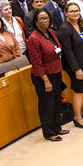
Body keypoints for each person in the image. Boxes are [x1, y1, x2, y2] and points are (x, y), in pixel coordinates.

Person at [26, 10, 65, 141]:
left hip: (56, 71)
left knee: (55, 102)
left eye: (46, 18)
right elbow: (36, 63)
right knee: (47, 105)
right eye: (41, 19)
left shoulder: (51, 32)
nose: (45, 21)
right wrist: (46, 81)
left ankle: (57, 126)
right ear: (36, 22)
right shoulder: (33, 38)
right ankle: (49, 132)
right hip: (44, 76)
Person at [58, 3, 83, 129]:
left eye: (77, 10)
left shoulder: (81, 24)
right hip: (76, 66)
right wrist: (76, 69)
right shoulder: (65, 28)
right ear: (66, 13)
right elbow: (67, 51)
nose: (75, 13)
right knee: (79, 91)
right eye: (72, 11)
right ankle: (78, 118)